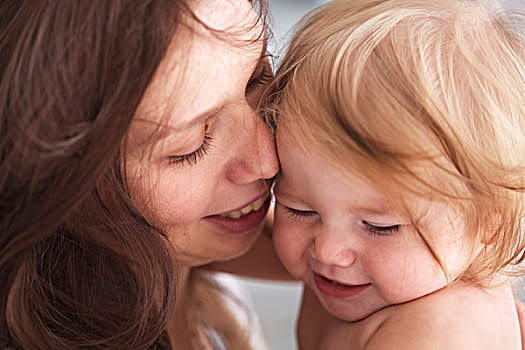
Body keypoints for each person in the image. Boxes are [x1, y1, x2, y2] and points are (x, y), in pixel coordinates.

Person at [0, 0, 289, 348]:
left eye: (258, 77)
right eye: (191, 146)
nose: (267, 160)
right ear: (59, 180)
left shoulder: (192, 257)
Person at [266, 0, 525, 348]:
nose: (327, 250)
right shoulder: (375, 275)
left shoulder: (440, 332)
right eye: (298, 209)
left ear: (488, 224)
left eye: (379, 226)